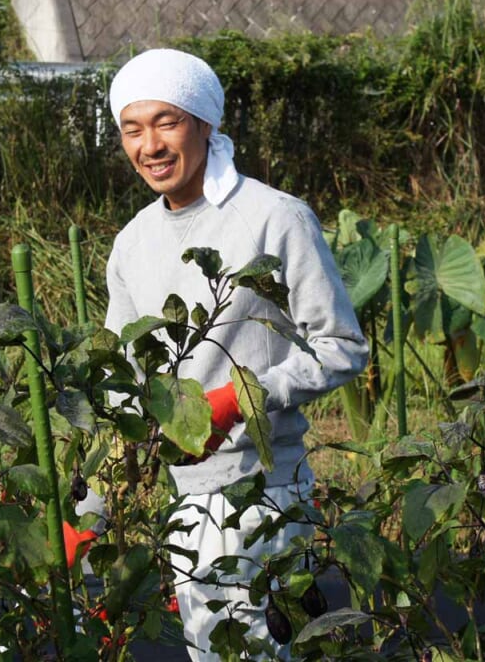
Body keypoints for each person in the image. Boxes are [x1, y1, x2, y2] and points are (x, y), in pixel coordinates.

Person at [104, 48, 368, 660]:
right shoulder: (133, 242)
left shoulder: (274, 219)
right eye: (132, 129)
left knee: (255, 646)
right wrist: (93, 506)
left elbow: (341, 344)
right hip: (181, 494)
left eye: (167, 122)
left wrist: (241, 397)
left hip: (265, 489)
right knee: (212, 647)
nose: (151, 146)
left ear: (205, 123)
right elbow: (123, 383)